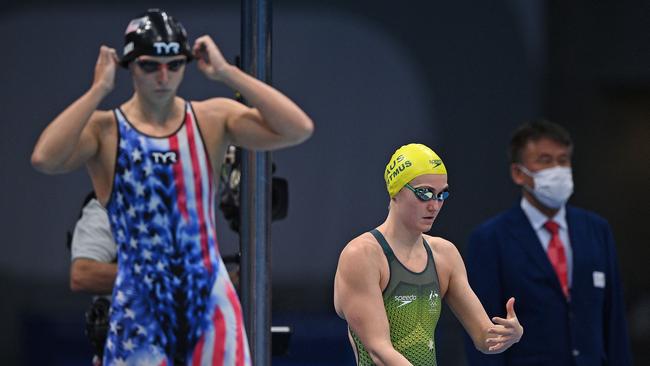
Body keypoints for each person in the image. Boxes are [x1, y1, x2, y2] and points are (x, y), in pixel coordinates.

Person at [31, 9, 313, 365]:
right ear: (130, 66)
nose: (163, 76)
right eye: (150, 65)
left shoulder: (211, 119)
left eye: (175, 64)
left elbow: (298, 128)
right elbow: (44, 158)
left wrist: (227, 73)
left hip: (210, 306)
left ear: (186, 64)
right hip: (139, 310)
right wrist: (97, 89)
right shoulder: (104, 131)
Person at [333, 143, 523, 365]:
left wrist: (510, 335)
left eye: (442, 194)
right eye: (424, 193)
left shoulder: (445, 255)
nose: (434, 205)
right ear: (395, 191)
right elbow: (379, 350)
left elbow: (485, 339)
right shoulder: (362, 255)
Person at [464, 120, 632, 366]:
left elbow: (614, 320)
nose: (557, 169)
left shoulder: (597, 230)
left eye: (563, 160)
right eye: (545, 160)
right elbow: (481, 331)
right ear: (518, 173)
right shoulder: (490, 238)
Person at [68, 192, 117, 365]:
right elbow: (82, 275)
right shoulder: (107, 204)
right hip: (130, 349)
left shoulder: (194, 201)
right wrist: (154, 275)